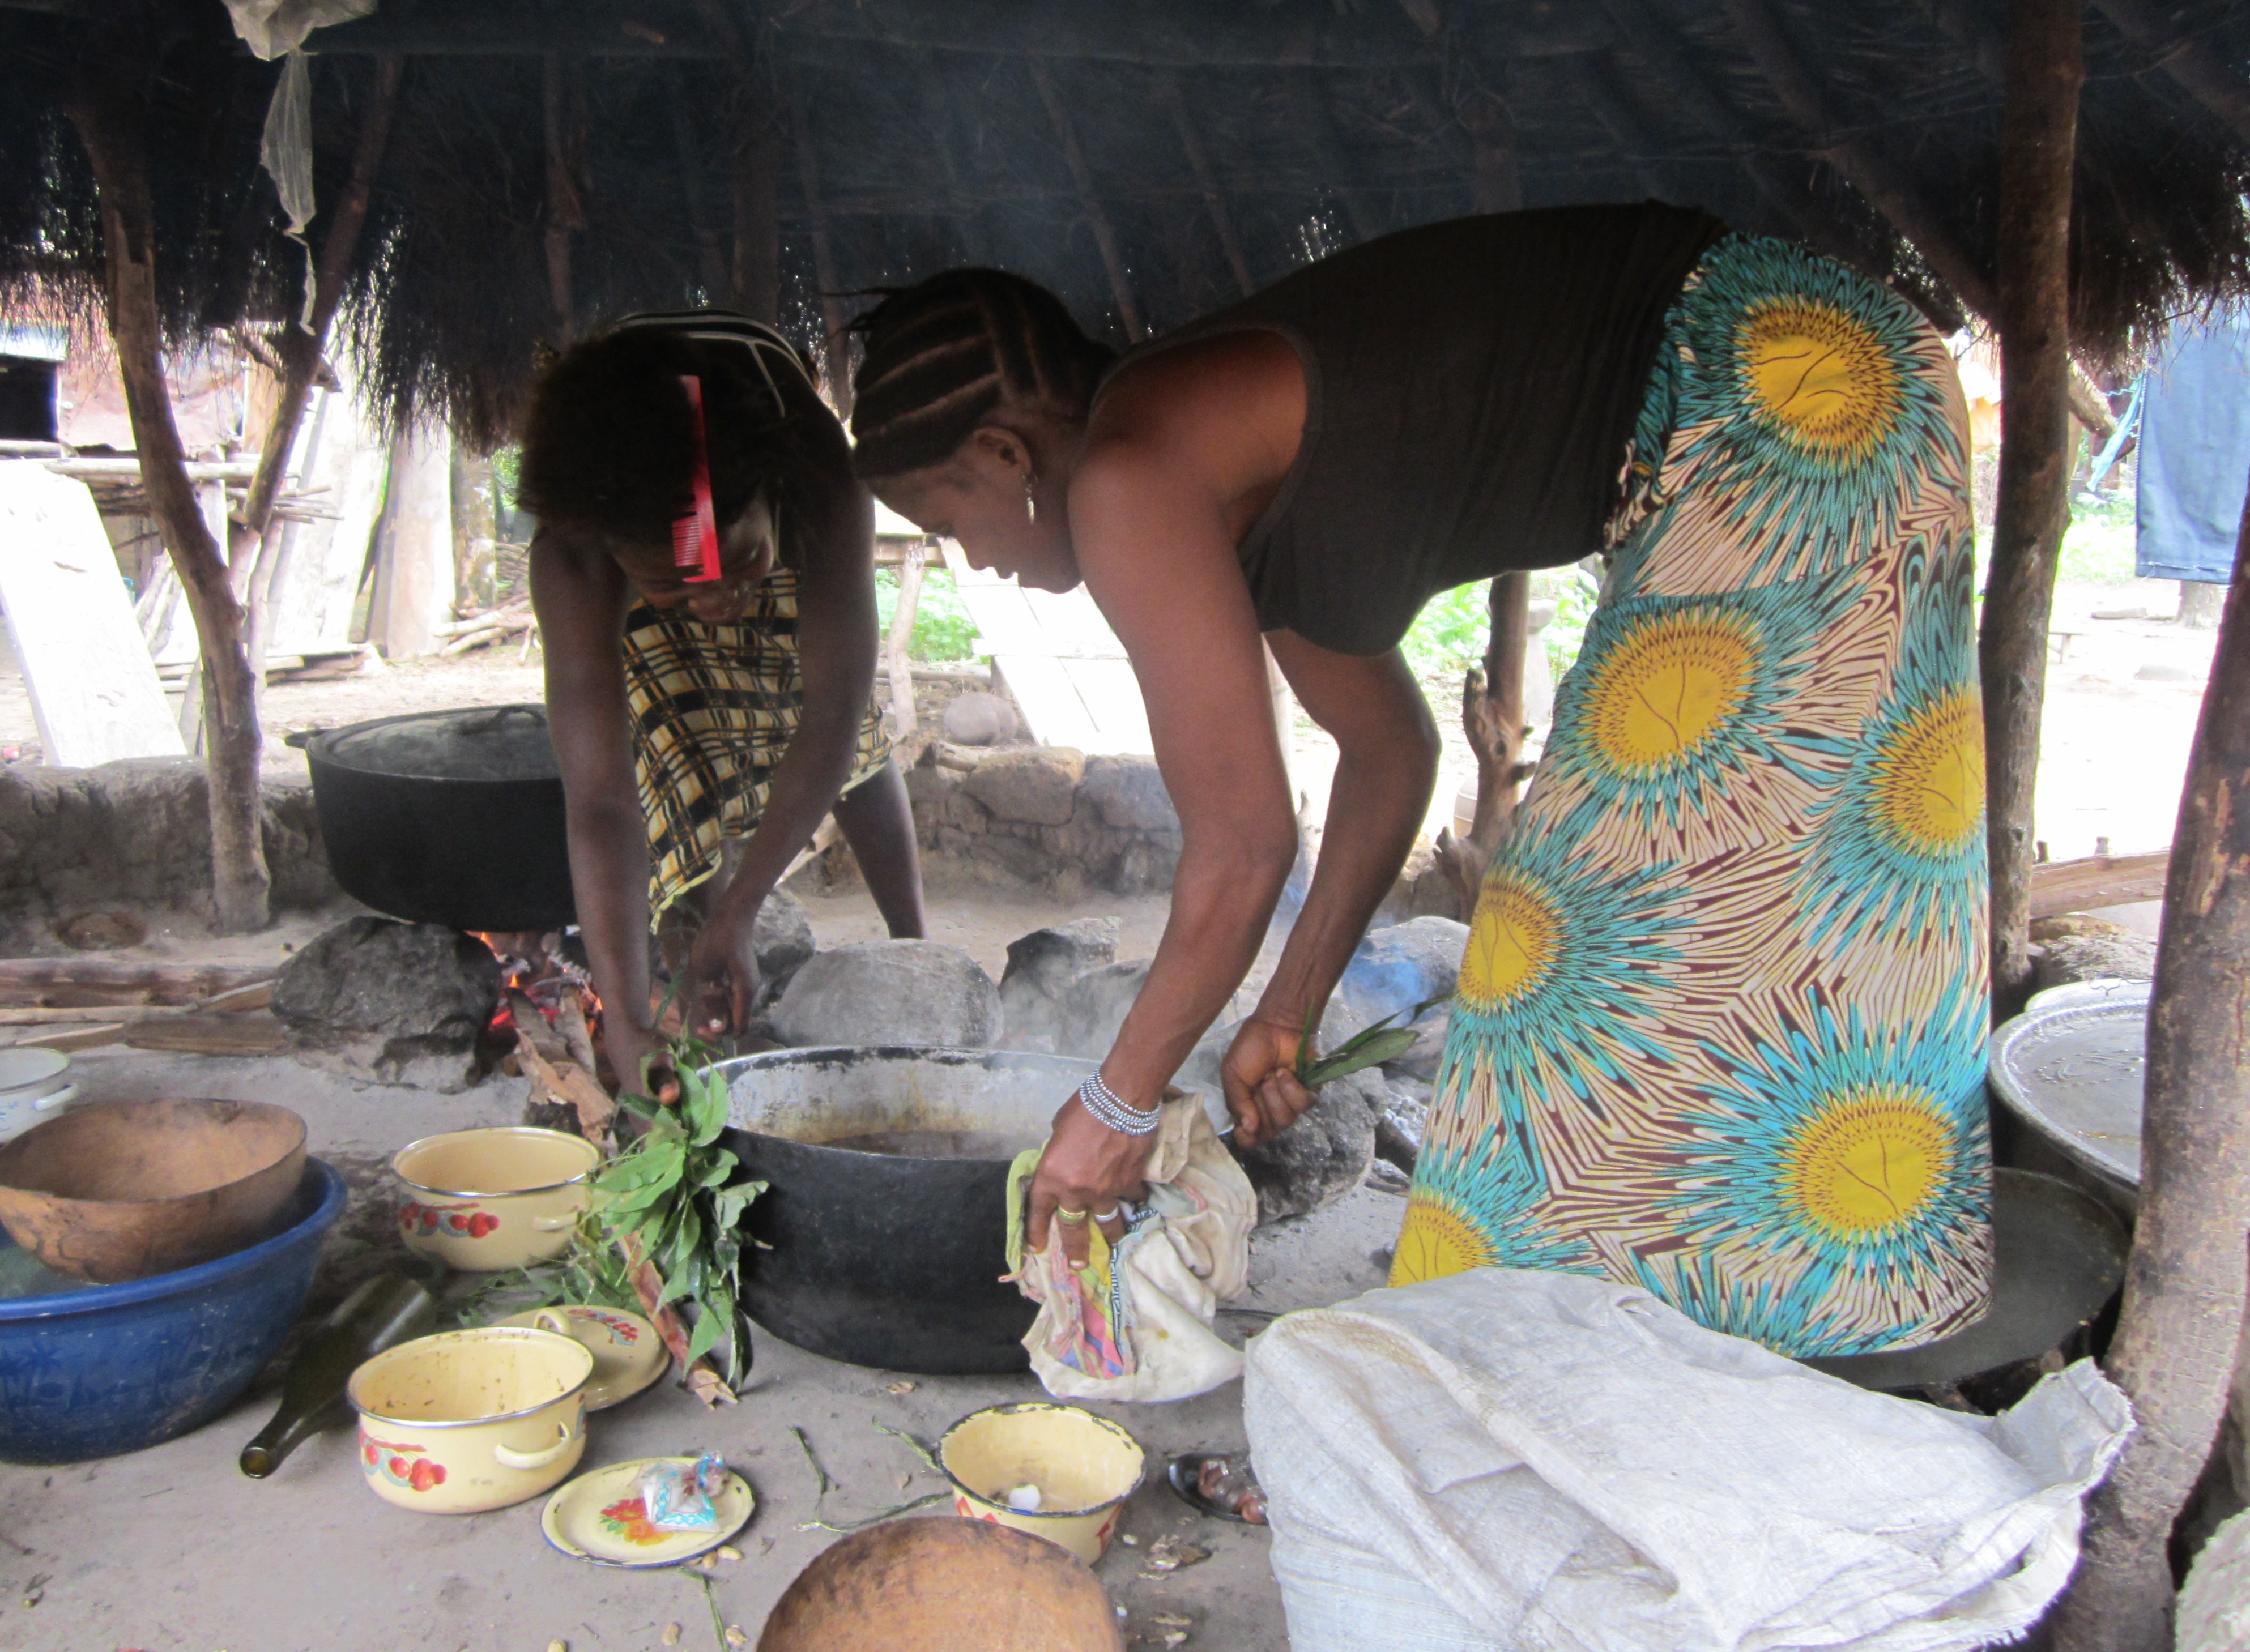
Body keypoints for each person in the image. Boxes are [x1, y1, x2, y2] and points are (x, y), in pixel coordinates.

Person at [848, 205, 1993, 1364]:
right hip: (1822, 379)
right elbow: (1389, 756)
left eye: (947, 521)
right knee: (1705, 943)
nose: (971, 559)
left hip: (1786, 395)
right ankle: (1714, 1336)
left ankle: (1599, 1366)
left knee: (1580, 951)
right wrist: (1284, 1012)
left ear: (1004, 456)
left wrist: (1112, 1111)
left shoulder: (1126, 477)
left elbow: (1239, 851)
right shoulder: (1216, 474)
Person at [521, 309, 927, 1101]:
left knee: (851, 738)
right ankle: (692, 1004)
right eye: (676, 583)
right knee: (671, 754)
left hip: (784, 526)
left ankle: (920, 947)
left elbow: (834, 711)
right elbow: (602, 800)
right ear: (611, 554)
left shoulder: (818, 478)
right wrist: (626, 1016)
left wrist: (746, 907)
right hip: (666, 567)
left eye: (741, 563)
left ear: (771, 500)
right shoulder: (576, 556)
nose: (717, 603)